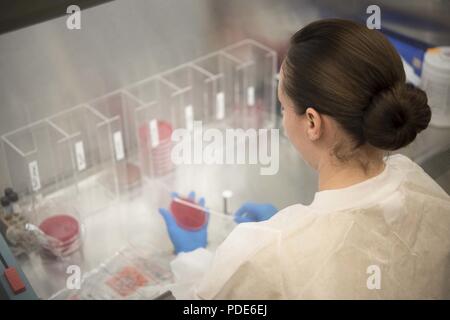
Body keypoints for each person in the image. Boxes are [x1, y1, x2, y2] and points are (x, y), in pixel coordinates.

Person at [158, 19, 450, 299]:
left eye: (283, 107)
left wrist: (192, 256)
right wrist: (290, 230)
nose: (282, 119)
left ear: (312, 122)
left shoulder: (268, 255)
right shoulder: (420, 185)